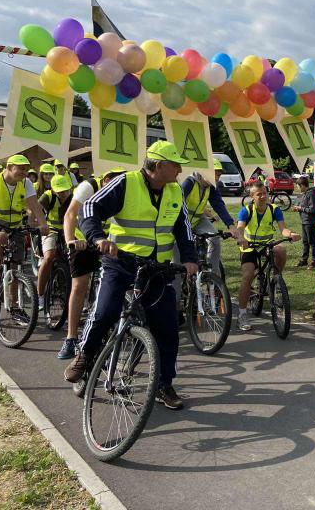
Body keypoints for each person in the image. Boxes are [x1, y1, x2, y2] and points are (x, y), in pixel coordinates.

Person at [65, 141, 199, 410]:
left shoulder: (174, 191)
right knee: (105, 312)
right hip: (121, 263)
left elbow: (183, 228)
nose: (180, 171)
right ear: (159, 166)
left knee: (168, 327)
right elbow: (89, 209)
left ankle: (164, 384)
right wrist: (98, 237)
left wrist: (189, 259)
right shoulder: (127, 182)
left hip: (157, 268)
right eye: (175, 165)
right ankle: (85, 354)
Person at [58, 167, 127, 360]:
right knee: (80, 285)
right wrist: (71, 240)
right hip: (83, 241)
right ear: (104, 178)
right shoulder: (88, 187)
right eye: (111, 181)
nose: (114, 186)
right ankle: (71, 337)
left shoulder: (125, 189)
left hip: (109, 242)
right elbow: (70, 214)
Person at [236, 180, 300, 332]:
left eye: (265, 193)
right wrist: (241, 238)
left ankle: (276, 278)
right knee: (248, 276)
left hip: (267, 245)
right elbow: (239, 228)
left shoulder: (274, 209)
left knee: (281, 249)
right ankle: (242, 314)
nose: (263, 196)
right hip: (249, 247)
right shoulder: (246, 211)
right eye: (259, 194)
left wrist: (290, 234)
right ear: (252, 196)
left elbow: (282, 229)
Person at [0, 155, 49, 283]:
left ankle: (15, 302)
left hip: (15, 227)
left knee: (16, 267)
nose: (24, 173)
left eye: (26, 169)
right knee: (0, 237)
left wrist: (43, 224)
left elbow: (34, 204)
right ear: (9, 167)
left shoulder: (25, 182)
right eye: (21, 169)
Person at [180, 166, 242, 277]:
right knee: (179, 257)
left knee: (214, 237)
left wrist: (231, 226)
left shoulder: (210, 186)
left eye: (219, 175)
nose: (218, 178)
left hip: (198, 220)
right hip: (181, 222)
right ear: (205, 172)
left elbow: (219, 205)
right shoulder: (189, 182)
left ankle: (213, 275)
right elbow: (179, 203)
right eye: (216, 174)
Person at [36, 174, 73, 311]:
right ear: (53, 190)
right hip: (50, 230)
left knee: (73, 261)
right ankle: (40, 296)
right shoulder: (47, 196)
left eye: (65, 190)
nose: (63, 194)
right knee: (49, 257)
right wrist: (39, 225)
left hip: (67, 232)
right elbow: (35, 210)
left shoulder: (73, 197)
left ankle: (65, 293)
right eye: (60, 191)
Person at [293, 176, 315, 268]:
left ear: (302, 185)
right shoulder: (304, 194)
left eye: (298, 186)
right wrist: (298, 208)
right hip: (304, 221)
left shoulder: (311, 194)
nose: (297, 188)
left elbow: (313, 209)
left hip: (309, 221)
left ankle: (314, 261)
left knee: (311, 241)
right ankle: (304, 260)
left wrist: (301, 208)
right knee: (305, 241)